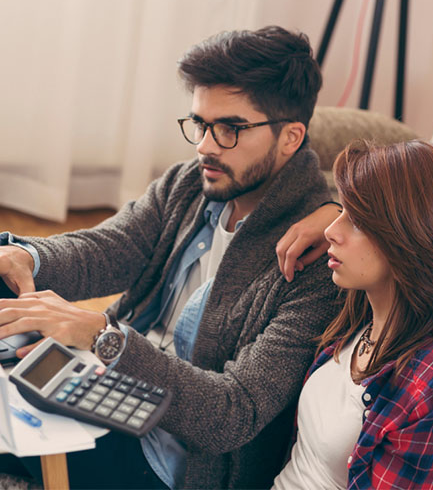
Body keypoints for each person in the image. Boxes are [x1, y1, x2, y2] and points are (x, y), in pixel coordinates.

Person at [0, 26, 342, 489]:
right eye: (200, 123)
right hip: (106, 387)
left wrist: (104, 336)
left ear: (290, 137)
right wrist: (25, 256)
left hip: (171, 462)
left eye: (229, 129)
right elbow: (107, 249)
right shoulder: (191, 184)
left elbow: (232, 414)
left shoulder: (320, 259)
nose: (204, 145)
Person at [273, 139, 433, 490]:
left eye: (358, 221)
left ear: (412, 238)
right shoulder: (360, 316)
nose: (332, 230)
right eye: (342, 212)